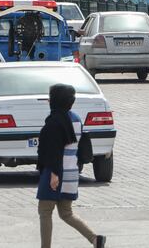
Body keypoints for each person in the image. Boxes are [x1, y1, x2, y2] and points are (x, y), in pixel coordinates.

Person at [36, 84, 106, 248]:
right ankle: (95, 239)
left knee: (45, 211)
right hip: (71, 173)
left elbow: (53, 150)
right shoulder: (76, 119)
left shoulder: (54, 122)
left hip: (56, 173)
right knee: (66, 213)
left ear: (54, 100)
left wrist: (54, 174)